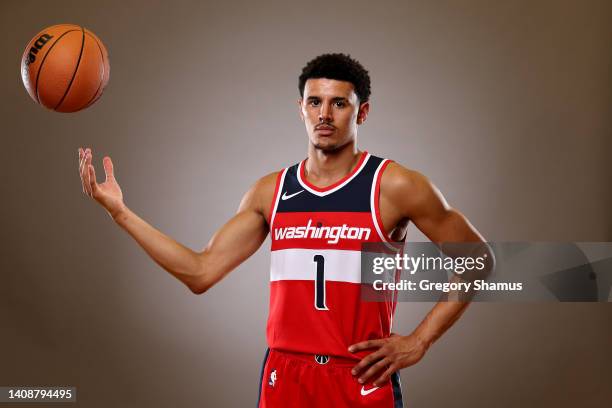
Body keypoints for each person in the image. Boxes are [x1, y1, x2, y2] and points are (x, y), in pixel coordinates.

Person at [78, 53, 488, 408]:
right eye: (314, 102)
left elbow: (479, 260)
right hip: (284, 376)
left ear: (362, 112)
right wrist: (121, 214)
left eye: (338, 104)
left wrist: (419, 340)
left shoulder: (394, 185)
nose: (324, 114)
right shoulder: (272, 191)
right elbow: (200, 273)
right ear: (301, 108)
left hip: (358, 377)